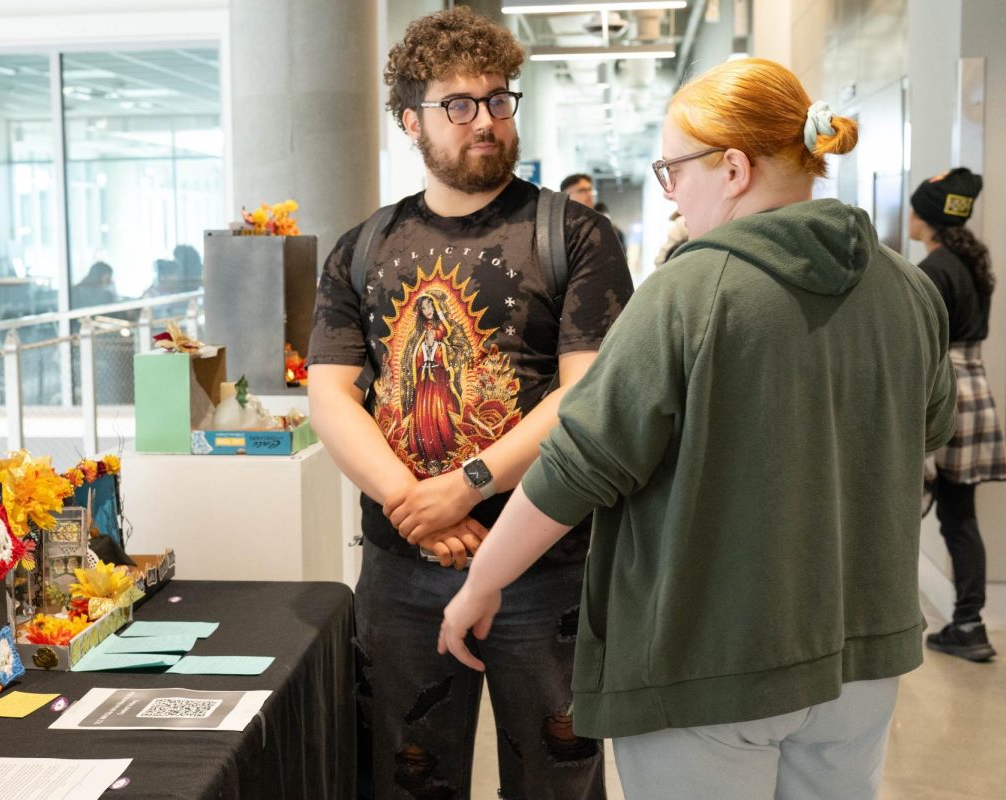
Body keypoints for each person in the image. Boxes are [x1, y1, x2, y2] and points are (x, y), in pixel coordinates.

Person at [439, 57, 956, 800]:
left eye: (673, 169)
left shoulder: (690, 290)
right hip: (862, 653)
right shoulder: (907, 288)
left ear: (735, 168)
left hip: (706, 662)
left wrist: (479, 585)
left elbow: (578, 464)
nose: (672, 190)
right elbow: (924, 429)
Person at [306, 7, 631, 799]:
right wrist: (412, 502)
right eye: (458, 104)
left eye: (497, 99)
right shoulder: (363, 248)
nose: (484, 120)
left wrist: (468, 484)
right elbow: (331, 395)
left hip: (546, 564)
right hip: (402, 569)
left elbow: (584, 393)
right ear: (410, 120)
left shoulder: (576, 235)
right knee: (405, 776)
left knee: (557, 777)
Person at [910, 167, 1003, 662]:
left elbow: (923, 346)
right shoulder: (970, 264)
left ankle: (965, 622)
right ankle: (970, 620)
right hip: (974, 387)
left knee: (944, 514)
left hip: (946, 391)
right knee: (959, 515)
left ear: (923, 217)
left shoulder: (933, 270)